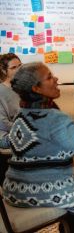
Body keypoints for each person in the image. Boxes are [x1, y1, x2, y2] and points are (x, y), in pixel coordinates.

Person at [2, 62, 74, 233]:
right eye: (49, 77)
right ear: (37, 89)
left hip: (15, 191)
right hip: (42, 191)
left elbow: (18, 139)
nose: (56, 79)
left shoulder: (21, 113)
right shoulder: (54, 118)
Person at [0, 53, 22, 185]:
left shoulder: (21, 87)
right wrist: (25, 129)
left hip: (21, 130)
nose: (19, 69)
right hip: (4, 136)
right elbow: (2, 123)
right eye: (14, 67)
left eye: (20, 66)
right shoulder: (1, 91)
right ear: (4, 70)